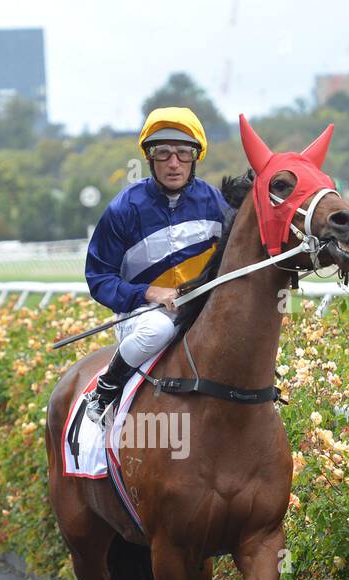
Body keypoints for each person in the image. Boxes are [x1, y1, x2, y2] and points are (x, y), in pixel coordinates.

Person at [81, 107, 229, 424]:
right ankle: (106, 388)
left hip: (200, 311)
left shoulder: (215, 204)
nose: (173, 163)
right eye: (163, 153)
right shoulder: (124, 209)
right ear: (150, 158)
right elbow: (99, 279)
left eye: (183, 153)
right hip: (142, 315)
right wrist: (150, 293)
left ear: (195, 158)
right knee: (159, 329)